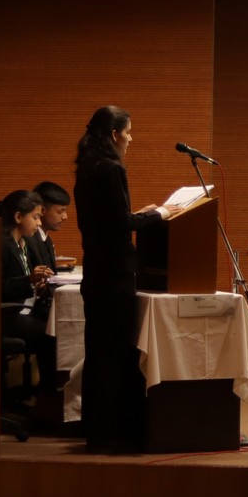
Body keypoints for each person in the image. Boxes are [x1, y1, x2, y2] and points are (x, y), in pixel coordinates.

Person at [73, 105, 181, 452]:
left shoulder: (87, 169)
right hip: (116, 273)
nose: (131, 139)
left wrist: (140, 214)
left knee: (99, 353)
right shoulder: (111, 169)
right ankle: (114, 434)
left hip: (96, 272)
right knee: (115, 356)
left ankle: (98, 430)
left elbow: (107, 221)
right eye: (129, 132)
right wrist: (161, 214)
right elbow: (120, 226)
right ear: (115, 134)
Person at [0, 189, 58, 392]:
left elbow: (25, 283)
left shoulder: (23, 244)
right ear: (18, 217)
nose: (39, 223)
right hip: (6, 315)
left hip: (24, 309)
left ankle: (51, 391)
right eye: (35, 217)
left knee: (56, 323)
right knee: (50, 334)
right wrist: (28, 280)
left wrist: (38, 285)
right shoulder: (2, 244)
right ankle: (48, 394)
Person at [29, 181, 71, 272]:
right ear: (42, 210)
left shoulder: (46, 239)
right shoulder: (29, 240)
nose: (65, 217)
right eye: (60, 211)